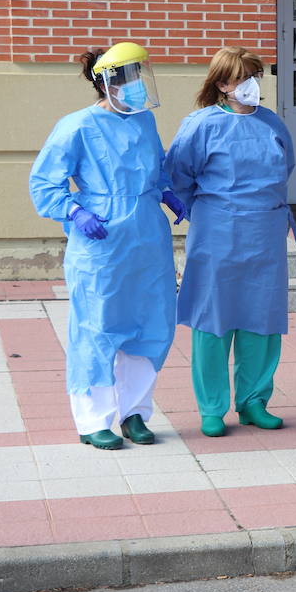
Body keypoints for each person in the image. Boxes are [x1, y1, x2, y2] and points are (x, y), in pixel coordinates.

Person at [29, 42, 186, 450]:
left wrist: (167, 192)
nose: (136, 85)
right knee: (97, 326)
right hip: (102, 240)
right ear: (107, 83)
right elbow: (45, 182)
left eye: (139, 75)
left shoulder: (143, 121)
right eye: (129, 77)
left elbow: (157, 166)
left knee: (150, 325)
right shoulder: (77, 126)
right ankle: (93, 420)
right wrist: (75, 212)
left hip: (147, 237)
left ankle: (134, 413)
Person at [165, 47, 296, 438]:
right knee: (213, 319)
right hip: (217, 232)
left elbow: (285, 167)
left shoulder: (272, 123)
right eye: (243, 77)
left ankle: (254, 401)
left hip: (266, 232)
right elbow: (179, 175)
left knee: (263, 318)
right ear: (222, 84)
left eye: (256, 75)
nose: (253, 84)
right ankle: (212, 407)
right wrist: (212, 208)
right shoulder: (201, 125)